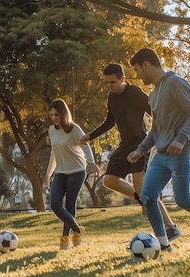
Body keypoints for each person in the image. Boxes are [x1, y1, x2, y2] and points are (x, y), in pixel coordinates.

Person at [126, 48, 190, 251]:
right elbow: (156, 130)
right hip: (161, 155)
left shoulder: (176, 83)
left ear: (147, 65)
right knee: (147, 196)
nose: (136, 76)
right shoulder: (153, 96)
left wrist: (181, 139)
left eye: (137, 70)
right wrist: (141, 149)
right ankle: (163, 244)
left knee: (182, 199)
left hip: (181, 153)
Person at [81, 63, 181, 240]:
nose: (109, 86)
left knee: (146, 192)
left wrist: (170, 133)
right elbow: (110, 122)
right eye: (106, 83)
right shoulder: (111, 98)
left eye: (112, 82)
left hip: (139, 145)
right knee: (109, 181)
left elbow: (155, 113)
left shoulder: (135, 93)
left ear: (122, 79)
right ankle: (139, 197)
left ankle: (171, 227)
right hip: (124, 145)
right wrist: (91, 136)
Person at [44, 99, 100, 250]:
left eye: (57, 114)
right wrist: (48, 174)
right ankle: (77, 230)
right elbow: (54, 152)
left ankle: (64, 239)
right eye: (51, 115)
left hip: (77, 171)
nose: (54, 117)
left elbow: (85, 144)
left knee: (70, 204)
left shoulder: (74, 129)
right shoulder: (51, 130)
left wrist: (92, 161)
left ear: (63, 113)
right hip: (60, 172)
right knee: (55, 204)